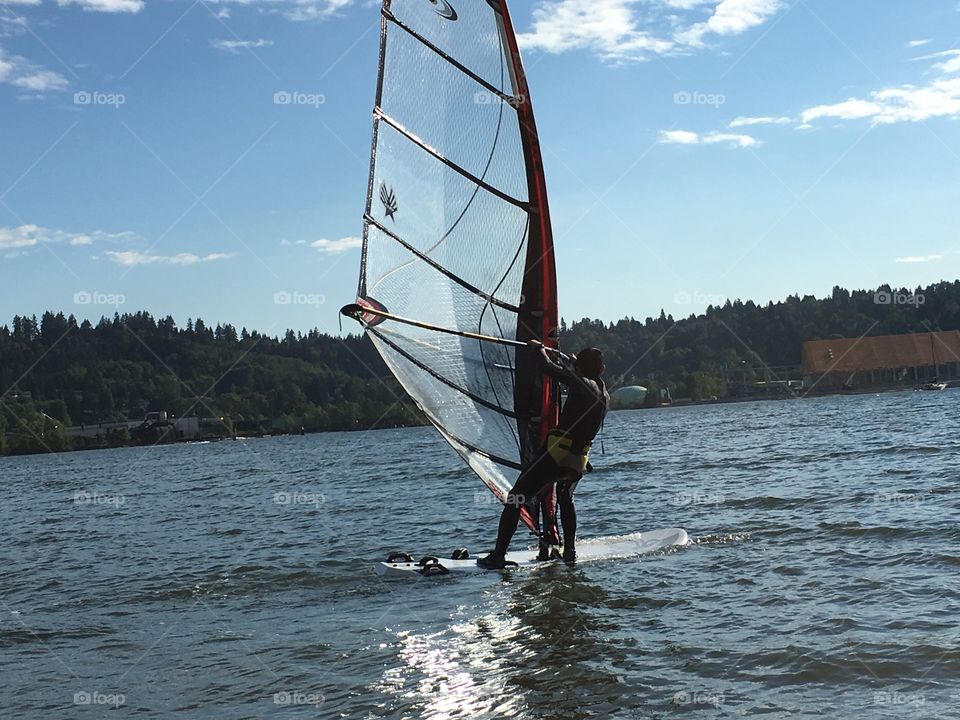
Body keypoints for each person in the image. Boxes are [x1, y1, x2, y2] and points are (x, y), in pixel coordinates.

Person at [477, 344, 608, 568]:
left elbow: (546, 367)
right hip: (577, 462)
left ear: (581, 367)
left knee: (515, 498)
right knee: (566, 498)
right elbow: (577, 377)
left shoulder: (581, 382)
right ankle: (570, 552)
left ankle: (498, 555)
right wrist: (573, 364)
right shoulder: (603, 392)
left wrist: (538, 349)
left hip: (556, 456)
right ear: (601, 370)